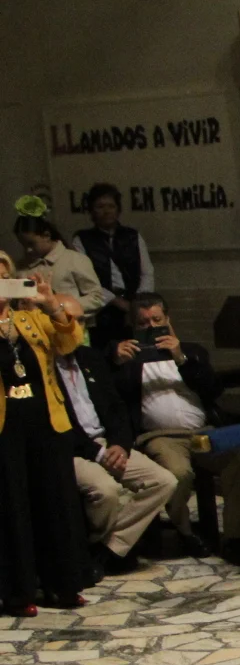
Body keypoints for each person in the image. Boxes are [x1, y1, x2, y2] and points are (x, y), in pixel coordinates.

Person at [113, 293, 240, 566]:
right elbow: (115, 395)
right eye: (143, 323)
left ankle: (235, 540)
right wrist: (118, 361)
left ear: (168, 320)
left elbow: (213, 389)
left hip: (203, 432)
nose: (152, 327)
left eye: (157, 320)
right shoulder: (128, 361)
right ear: (134, 327)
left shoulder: (192, 352)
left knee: (237, 460)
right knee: (179, 474)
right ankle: (186, 531)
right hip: (160, 436)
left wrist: (181, 358)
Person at [0, 253, 94, 616]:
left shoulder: (31, 319)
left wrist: (51, 303)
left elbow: (69, 342)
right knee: (13, 506)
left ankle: (63, 584)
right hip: (5, 428)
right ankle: (18, 590)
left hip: (46, 422)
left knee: (56, 502)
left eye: (5, 278)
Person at [54, 335, 176, 574]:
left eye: (80, 322)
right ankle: (101, 549)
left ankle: (107, 550)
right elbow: (57, 425)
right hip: (71, 449)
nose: (75, 330)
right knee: (106, 491)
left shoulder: (88, 357)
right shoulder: (43, 365)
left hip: (107, 442)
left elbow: (116, 406)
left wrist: (120, 444)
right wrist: (98, 453)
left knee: (164, 481)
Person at [72, 183, 155, 347]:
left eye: (111, 206)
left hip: (135, 304)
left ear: (118, 209)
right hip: (102, 309)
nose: (106, 211)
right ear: (92, 211)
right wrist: (115, 301)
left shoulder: (132, 236)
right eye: (100, 207)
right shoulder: (82, 239)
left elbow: (147, 272)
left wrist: (139, 303)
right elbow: (85, 279)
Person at [13, 196, 107, 326]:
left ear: (47, 235)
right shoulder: (20, 267)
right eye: (23, 245)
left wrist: (62, 305)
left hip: (71, 329)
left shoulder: (74, 260)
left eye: (31, 244)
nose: (28, 250)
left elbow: (97, 298)